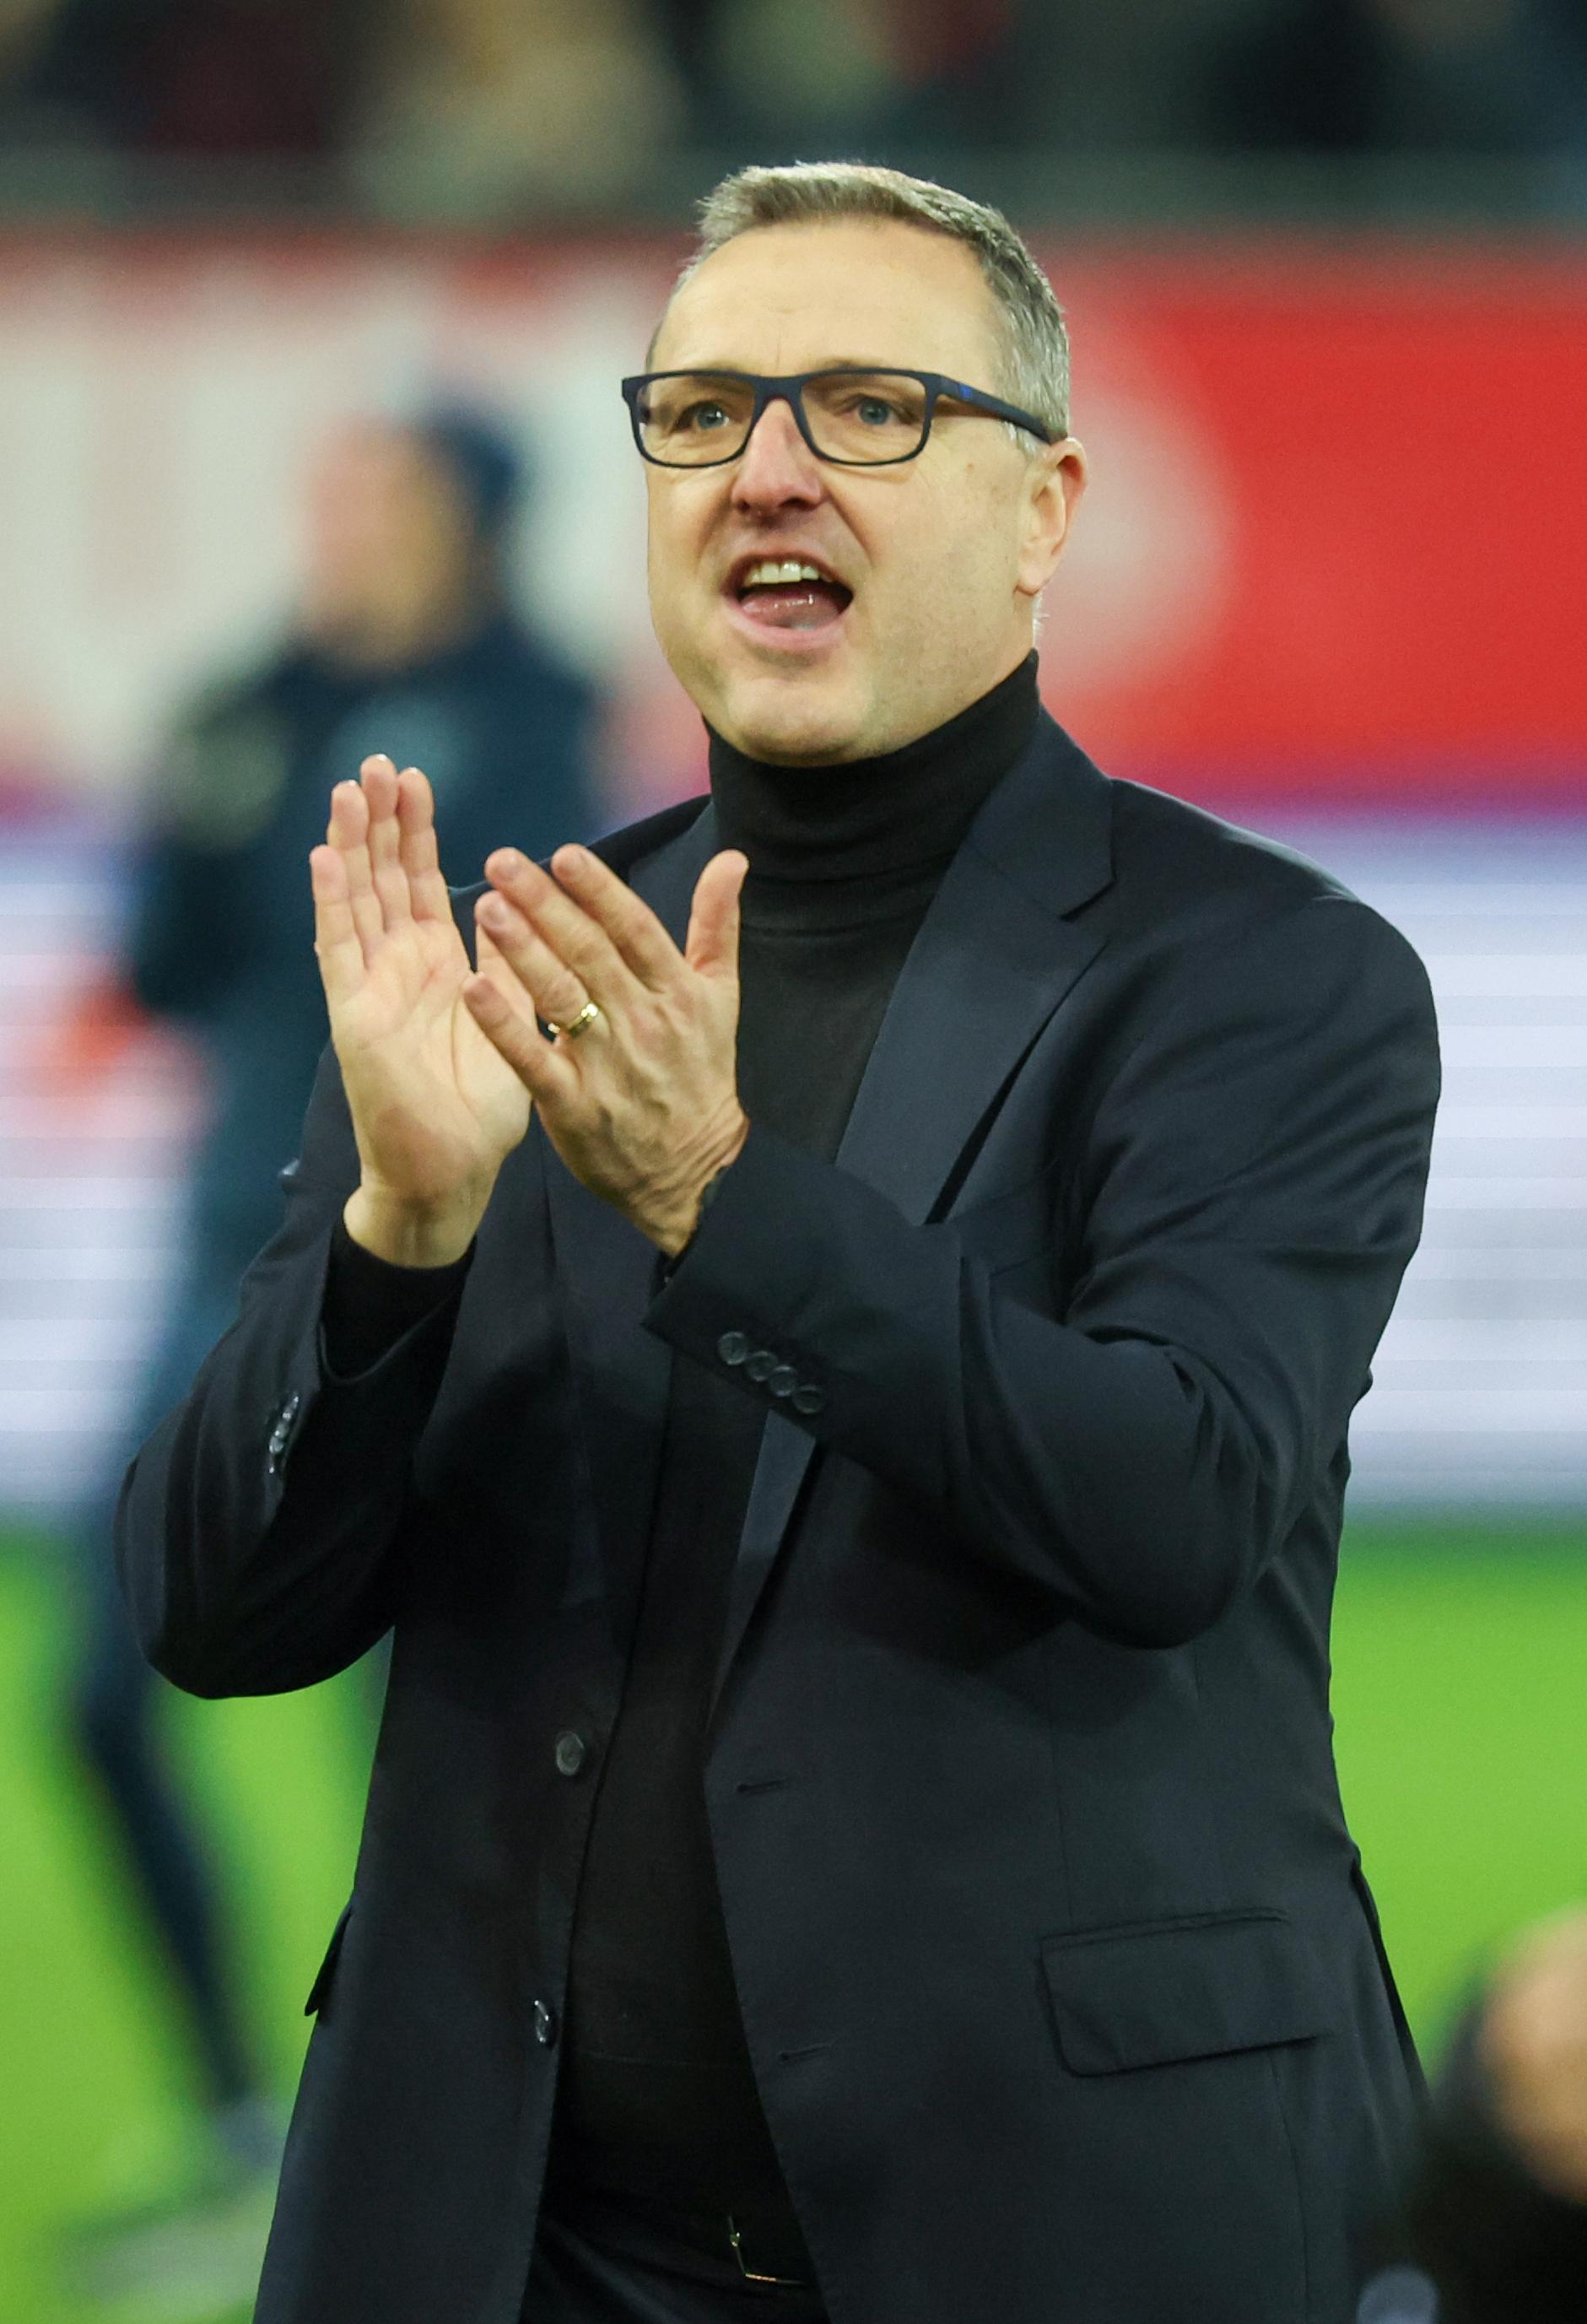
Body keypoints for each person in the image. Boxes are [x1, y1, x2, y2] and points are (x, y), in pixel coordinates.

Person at [116, 164, 1441, 2324]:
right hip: (500, 2237)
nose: (766, 473)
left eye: (868, 409)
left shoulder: (1260, 978)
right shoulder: (508, 959)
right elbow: (216, 1611)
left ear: (1043, 506)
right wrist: (397, 1240)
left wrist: (711, 1202)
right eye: (705, 410)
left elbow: (1169, 1504)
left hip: (1052, 2226)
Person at [66, 404, 597, 2310]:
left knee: (432, 1741)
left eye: (381, 496)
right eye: (333, 492)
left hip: (459, 1268)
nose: (341, 527)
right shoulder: (246, 704)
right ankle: (227, 2117)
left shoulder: (537, 714)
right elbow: (151, 954)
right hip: (232, 1264)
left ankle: (459, 2139)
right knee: (99, 1689)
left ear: (467, 526)